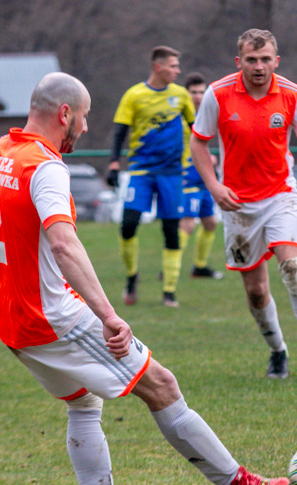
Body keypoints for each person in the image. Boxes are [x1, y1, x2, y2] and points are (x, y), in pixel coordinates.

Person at [0, 72, 289, 485]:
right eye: (83, 117)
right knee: (162, 385)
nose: (84, 128)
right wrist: (108, 315)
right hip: (53, 316)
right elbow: (64, 243)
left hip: (8, 321)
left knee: (84, 403)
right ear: (65, 114)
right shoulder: (45, 168)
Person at [190, 29, 297, 381]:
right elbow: (198, 143)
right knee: (255, 292)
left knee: (293, 268)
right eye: (251, 60)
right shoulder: (218, 94)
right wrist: (214, 186)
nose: (258, 66)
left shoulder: (292, 94)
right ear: (239, 61)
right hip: (237, 204)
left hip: (280, 195)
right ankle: (277, 352)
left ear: (276, 61)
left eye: (265, 59)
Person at [107, 46, 195, 308]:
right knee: (128, 224)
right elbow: (119, 132)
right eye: (173, 66)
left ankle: (169, 291)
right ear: (158, 67)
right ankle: (132, 277)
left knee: (171, 231)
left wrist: (202, 158)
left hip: (172, 173)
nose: (177, 71)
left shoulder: (181, 96)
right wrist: (113, 163)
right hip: (141, 171)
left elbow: (196, 129)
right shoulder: (134, 95)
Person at [180, 73, 224, 280]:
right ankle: (169, 267)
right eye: (193, 92)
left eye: (201, 92)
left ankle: (199, 266)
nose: (197, 96)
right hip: (186, 174)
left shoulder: (207, 114)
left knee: (210, 223)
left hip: (204, 175)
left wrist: (210, 158)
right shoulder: (179, 118)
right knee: (187, 223)